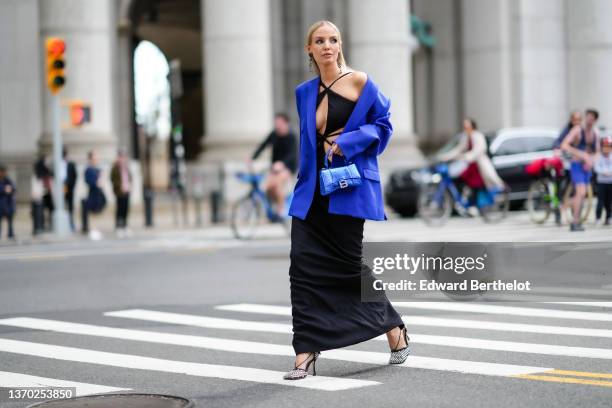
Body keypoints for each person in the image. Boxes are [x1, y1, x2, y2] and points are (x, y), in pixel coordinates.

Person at [283, 20, 409, 381]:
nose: (327, 46)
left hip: (347, 187)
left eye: (333, 40)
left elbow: (383, 125)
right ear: (309, 49)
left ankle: (393, 328)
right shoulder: (304, 93)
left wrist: (349, 142)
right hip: (311, 191)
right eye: (319, 41)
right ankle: (305, 353)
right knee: (302, 269)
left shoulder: (359, 81)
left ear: (340, 45)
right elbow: (308, 143)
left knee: (350, 267)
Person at [437, 118, 506, 197]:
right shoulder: (466, 137)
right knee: (458, 179)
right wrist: (445, 157)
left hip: (478, 165)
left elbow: (479, 150)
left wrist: (466, 156)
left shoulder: (478, 136)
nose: (465, 127)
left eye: (467, 125)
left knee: (477, 183)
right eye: (464, 126)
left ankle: (475, 201)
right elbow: (458, 149)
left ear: (472, 126)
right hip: (469, 165)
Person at [250, 113, 298, 216]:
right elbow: (263, 145)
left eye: (280, 123)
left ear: (286, 123)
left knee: (277, 184)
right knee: (269, 187)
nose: (277, 126)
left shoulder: (291, 136)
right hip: (274, 167)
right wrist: (253, 158)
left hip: (288, 167)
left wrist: (282, 163)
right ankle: (275, 204)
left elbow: (292, 154)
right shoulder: (274, 134)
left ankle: (281, 209)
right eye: (276, 123)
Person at [561, 109, 599, 231]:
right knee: (581, 193)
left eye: (592, 118)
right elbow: (564, 145)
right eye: (588, 117)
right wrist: (581, 154)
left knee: (582, 195)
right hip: (576, 165)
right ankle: (565, 207)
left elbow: (598, 151)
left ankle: (575, 221)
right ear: (585, 118)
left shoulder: (595, 133)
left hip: (586, 167)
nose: (589, 120)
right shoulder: (577, 130)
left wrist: (591, 160)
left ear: (595, 120)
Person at [110, 149, 132, 237]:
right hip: (119, 192)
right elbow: (112, 179)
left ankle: (125, 225)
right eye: (121, 157)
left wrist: (129, 185)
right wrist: (119, 186)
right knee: (119, 209)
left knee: (126, 209)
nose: (123, 159)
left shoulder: (126, 167)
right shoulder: (115, 167)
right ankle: (118, 226)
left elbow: (130, 177)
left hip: (127, 190)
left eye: (124, 157)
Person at [84, 151, 106, 240]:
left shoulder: (98, 170)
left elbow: (102, 181)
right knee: (92, 212)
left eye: (96, 159)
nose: (95, 161)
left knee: (98, 212)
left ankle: (97, 229)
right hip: (92, 193)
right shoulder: (88, 170)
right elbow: (88, 181)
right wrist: (96, 182)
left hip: (98, 193)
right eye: (93, 159)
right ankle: (93, 230)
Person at [594, 135, 612, 225]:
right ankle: (598, 217)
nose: (607, 149)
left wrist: (609, 172)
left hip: (610, 182)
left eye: (609, 147)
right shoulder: (599, 157)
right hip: (601, 182)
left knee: (609, 201)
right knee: (600, 201)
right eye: (605, 147)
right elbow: (596, 167)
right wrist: (603, 172)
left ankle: (609, 217)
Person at [34, 154, 54, 230]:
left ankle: (46, 225)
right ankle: (42, 225)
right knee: (41, 210)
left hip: (46, 193)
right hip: (44, 193)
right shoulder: (42, 173)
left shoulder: (45, 172)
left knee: (47, 209)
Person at [61, 147, 78, 231]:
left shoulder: (71, 164)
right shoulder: (58, 164)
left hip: (69, 188)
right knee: (61, 205)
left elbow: (75, 176)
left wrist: (71, 186)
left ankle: (71, 223)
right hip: (61, 188)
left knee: (70, 206)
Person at [0, 164, 16, 240]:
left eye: (3, 172)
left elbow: (13, 189)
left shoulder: (8, 180)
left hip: (8, 204)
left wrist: (9, 190)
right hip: (1, 204)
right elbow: (5, 190)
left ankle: (10, 234)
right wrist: (4, 190)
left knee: (10, 221)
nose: (2, 173)